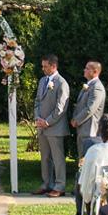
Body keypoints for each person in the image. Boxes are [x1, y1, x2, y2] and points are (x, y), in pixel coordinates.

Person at [31, 53, 71, 197]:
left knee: (58, 159)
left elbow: (61, 108)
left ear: (54, 66)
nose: (43, 69)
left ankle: (60, 186)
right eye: (42, 66)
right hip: (42, 126)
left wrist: (48, 121)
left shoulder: (62, 83)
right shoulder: (42, 81)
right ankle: (46, 183)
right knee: (45, 157)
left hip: (55, 128)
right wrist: (38, 118)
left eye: (46, 66)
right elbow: (37, 101)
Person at [70, 59, 108, 151]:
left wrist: (77, 120)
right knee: (82, 158)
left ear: (95, 71)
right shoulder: (89, 85)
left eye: (87, 69)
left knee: (87, 157)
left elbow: (90, 108)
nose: (84, 70)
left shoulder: (97, 87)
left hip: (90, 128)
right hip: (83, 127)